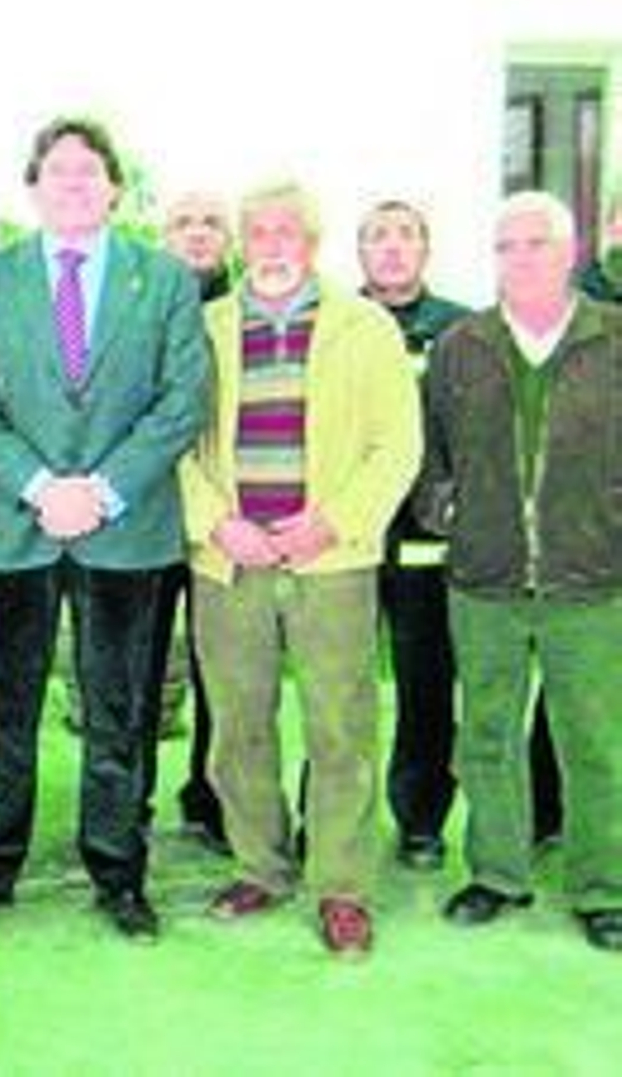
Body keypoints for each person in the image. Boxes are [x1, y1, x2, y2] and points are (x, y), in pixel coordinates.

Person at [0, 116, 208, 941]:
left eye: (90, 171)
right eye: (58, 171)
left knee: (120, 708)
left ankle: (118, 869)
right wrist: (41, 483)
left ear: (114, 187)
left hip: (125, 528)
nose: (75, 183)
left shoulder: (163, 280)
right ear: (33, 187)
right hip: (14, 524)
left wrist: (105, 490)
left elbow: (180, 400)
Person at [182, 181, 420, 957]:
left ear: (311, 242)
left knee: (340, 723)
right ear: (243, 242)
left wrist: (334, 520)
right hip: (232, 558)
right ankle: (261, 864)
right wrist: (218, 522)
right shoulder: (205, 328)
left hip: (332, 560)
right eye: (260, 231)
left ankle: (341, 884)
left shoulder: (365, 327)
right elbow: (173, 442)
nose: (274, 243)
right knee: (238, 721)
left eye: (289, 230)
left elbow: (397, 445)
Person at [419, 191, 622, 952]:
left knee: (595, 739)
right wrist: (450, 509)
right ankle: (497, 873)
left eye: (537, 242)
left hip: (592, 581)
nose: (521, 257)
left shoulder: (612, 338)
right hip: (487, 579)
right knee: (488, 732)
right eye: (506, 245)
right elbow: (429, 449)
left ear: (571, 252)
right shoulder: (460, 345)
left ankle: (603, 886)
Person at [355, 199, 471, 870]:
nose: (393, 248)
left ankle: (422, 819)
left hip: (428, 537)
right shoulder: (335, 321)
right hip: (346, 535)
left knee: (428, 681)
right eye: (378, 236)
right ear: (360, 251)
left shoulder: (462, 329)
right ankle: (331, 816)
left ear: (426, 249)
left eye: (406, 235)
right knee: (338, 684)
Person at [152, 190, 233, 852]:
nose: (198, 234)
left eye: (212, 223)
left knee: (223, 669)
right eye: (184, 222)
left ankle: (212, 796)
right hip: (145, 515)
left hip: (228, 523)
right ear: (163, 236)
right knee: (137, 664)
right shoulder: (138, 304)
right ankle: (130, 797)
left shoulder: (255, 309)